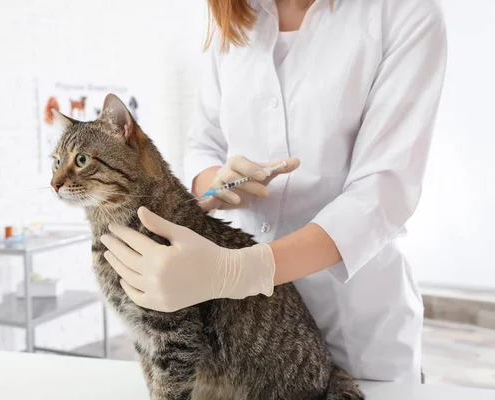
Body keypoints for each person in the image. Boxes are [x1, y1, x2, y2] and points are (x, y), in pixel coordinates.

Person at [101, 0, 447, 383]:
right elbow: (203, 144)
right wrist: (219, 182)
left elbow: (383, 188)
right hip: (243, 330)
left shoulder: (402, 12)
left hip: (356, 327)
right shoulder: (234, 18)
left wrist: (243, 270)